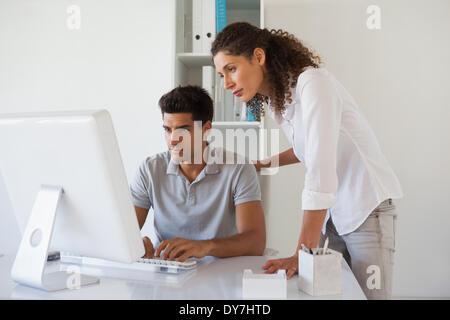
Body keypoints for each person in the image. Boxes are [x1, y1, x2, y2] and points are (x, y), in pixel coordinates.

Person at [211, 22, 403, 300]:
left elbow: (320, 171)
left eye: (231, 69)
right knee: (333, 296)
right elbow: (307, 149)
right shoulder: (281, 101)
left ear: (259, 57)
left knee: (371, 297)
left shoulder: (313, 83)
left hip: (366, 209)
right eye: (220, 74)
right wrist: (266, 163)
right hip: (334, 214)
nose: (226, 83)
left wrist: (300, 253)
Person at [130, 85, 266, 263]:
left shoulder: (239, 168)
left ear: (206, 129)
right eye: (167, 129)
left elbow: (255, 242)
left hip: (220, 271)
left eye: (183, 130)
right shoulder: (149, 169)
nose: (172, 139)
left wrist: (204, 246)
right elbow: (124, 233)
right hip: (168, 270)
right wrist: (134, 244)